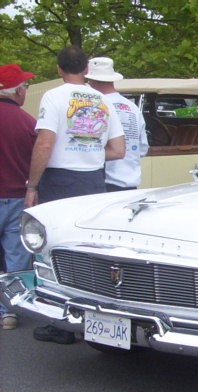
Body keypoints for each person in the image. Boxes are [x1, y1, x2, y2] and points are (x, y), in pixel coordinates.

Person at [27, 46, 125, 344]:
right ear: (86, 69)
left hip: (60, 180)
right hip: (94, 180)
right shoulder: (102, 100)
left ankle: (60, 323)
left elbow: (45, 143)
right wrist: (89, 151)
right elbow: (118, 149)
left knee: (54, 249)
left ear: (59, 69)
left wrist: (32, 185)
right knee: (88, 249)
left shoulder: (54, 97)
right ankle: (95, 315)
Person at [0, 64, 37, 330]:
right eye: (24, 86)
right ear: (17, 91)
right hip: (17, 196)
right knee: (16, 257)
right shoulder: (28, 122)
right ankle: (9, 311)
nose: (25, 90)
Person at [85, 57, 148, 191]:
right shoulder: (132, 108)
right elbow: (142, 148)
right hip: (130, 183)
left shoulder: (96, 106)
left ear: (92, 80)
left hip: (104, 181)